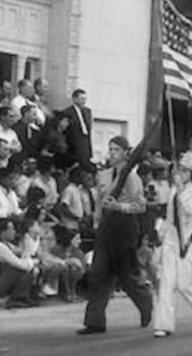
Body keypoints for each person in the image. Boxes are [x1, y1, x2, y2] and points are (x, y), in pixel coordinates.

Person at [78, 136, 153, 334]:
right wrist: (97, 222)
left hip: (125, 226)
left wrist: (119, 206)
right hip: (106, 227)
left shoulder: (131, 177)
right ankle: (94, 321)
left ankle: (146, 305)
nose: (112, 153)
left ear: (126, 153)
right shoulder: (103, 175)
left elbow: (140, 206)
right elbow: (100, 203)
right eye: (110, 149)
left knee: (127, 275)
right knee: (98, 274)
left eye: (116, 150)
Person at [153, 153, 192, 338]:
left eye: (185, 170)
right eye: (180, 169)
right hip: (171, 240)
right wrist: (161, 232)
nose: (181, 173)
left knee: (184, 283)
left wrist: (180, 190)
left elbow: (189, 210)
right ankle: (164, 325)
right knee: (166, 283)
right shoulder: (173, 190)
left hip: (188, 241)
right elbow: (171, 216)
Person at [0, 219, 35, 308]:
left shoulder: (7, 244)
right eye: (11, 229)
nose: (14, 232)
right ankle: (13, 300)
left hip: (2, 279)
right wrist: (29, 261)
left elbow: (24, 252)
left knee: (27, 270)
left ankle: (19, 299)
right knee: (23, 271)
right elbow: (20, 265)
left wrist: (26, 256)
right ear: (2, 231)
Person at [49, 226, 86, 303]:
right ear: (70, 240)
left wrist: (76, 264)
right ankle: (67, 293)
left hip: (75, 273)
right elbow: (52, 261)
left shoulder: (78, 252)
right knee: (65, 268)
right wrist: (68, 261)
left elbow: (82, 268)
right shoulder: (56, 249)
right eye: (77, 239)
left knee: (73, 269)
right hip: (57, 272)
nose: (80, 241)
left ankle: (73, 292)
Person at [61, 89, 93, 170]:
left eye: (85, 99)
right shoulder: (67, 112)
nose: (84, 101)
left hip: (85, 148)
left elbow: (88, 132)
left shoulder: (87, 111)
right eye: (82, 99)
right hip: (73, 149)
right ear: (74, 99)